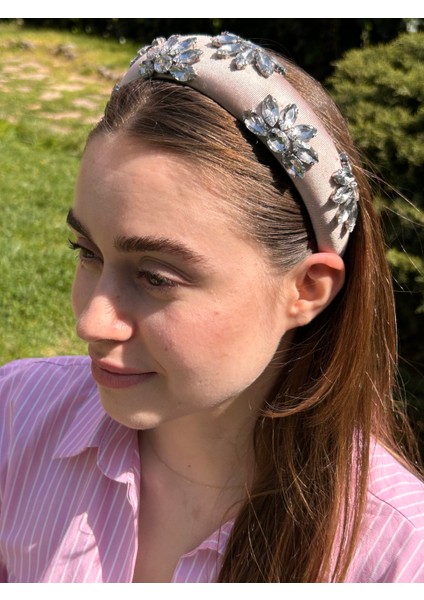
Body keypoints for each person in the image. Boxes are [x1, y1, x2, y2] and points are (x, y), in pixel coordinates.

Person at [0, 32, 423, 584]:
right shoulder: (18, 417)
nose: (90, 322)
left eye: (156, 277)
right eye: (87, 252)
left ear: (307, 289)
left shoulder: (398, 560)